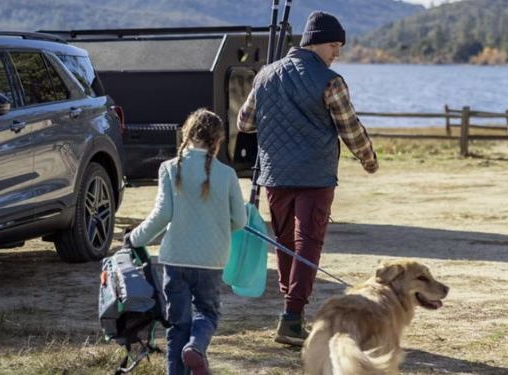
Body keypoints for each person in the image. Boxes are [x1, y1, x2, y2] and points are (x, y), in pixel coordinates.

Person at [236, 10, 379, 347]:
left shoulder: (264, 76)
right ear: (316, 43)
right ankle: (291, 318)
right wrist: (368, 159)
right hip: (315, 176)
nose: (337, 53)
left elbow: (244, 122)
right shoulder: (330, 81)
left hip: (275, 174)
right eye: (334, 45)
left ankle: (291, 313)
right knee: (308, 243)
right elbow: (350, 128)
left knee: (287, 244)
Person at [127, 109, 247, 375]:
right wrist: (216, 227)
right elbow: (239, 220)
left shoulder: (169, 169)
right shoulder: (227, 174)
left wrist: (134, 238)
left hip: (175, 258)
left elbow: (162, 215)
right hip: (212, 259)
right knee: (207, 312)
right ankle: (196, 347)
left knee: (177, 324)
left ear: (187, 134)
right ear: (217, 140)